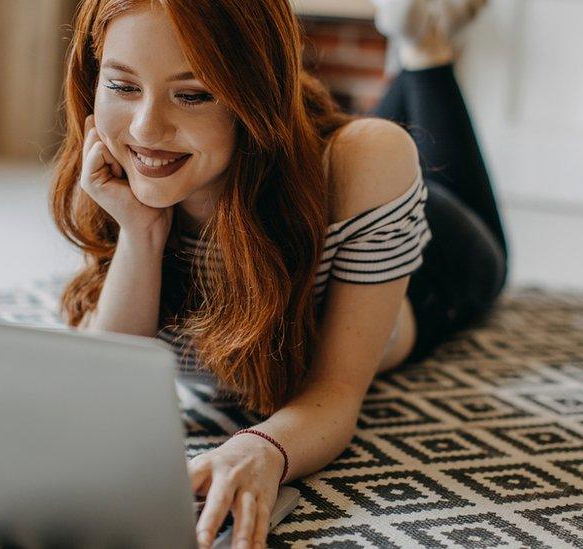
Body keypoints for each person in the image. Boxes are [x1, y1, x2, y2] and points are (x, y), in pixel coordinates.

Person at [48, 0, 506, 547]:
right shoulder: (119, 167)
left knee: (412, 164)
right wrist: (141, 233)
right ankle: (412, 47)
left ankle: (424, 51)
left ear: (253, 96)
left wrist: (258, 448)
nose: (146, 129)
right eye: (122, 86)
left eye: (193, 94)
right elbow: (104, 379)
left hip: (441, 269)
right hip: (297, 160)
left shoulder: (363, 165)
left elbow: (334, 395)